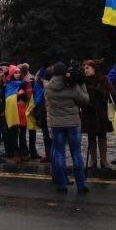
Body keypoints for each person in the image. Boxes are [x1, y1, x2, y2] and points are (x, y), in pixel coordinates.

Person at [45, 62, 90, 193]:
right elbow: (85, 100)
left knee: (59, 153)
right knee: (76, 153)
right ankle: (81, 185)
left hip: (56, 124)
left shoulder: (48, 87)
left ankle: (62, 184)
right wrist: (82, 83)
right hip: (73, 123)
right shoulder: (73, 86)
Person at [81, 60, 115, 171]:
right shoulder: (83, 81)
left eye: (88, 68)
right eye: (84, 68)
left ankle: (104, 160)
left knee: (102, 135)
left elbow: (112, 93)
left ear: (94, 68)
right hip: (89, 111)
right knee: (91, 136)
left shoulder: (103, 78)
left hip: (101, 112)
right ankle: (93, 160)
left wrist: (100, 91)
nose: (85, 70)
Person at [6, 65, 32, 163]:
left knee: (23, 134)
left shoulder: (23, 84)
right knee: (14, 133)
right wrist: (16, 95)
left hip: (22, 111)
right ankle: (16, 154)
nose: (17, 74)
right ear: (12, 74)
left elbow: (27, 97)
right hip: (14, 112)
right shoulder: (9, 85)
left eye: (18, 73)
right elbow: (8, 99)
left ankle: (24, 153)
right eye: (15, 73)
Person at [33, 66, 52, 163]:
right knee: (46, 135)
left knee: (51, 135)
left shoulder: (49, 86)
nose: (40, 79)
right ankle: (48, 155)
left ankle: (53, 155)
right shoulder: (37, 86)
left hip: (50, 114)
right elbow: (35, 99)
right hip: (42, 112)